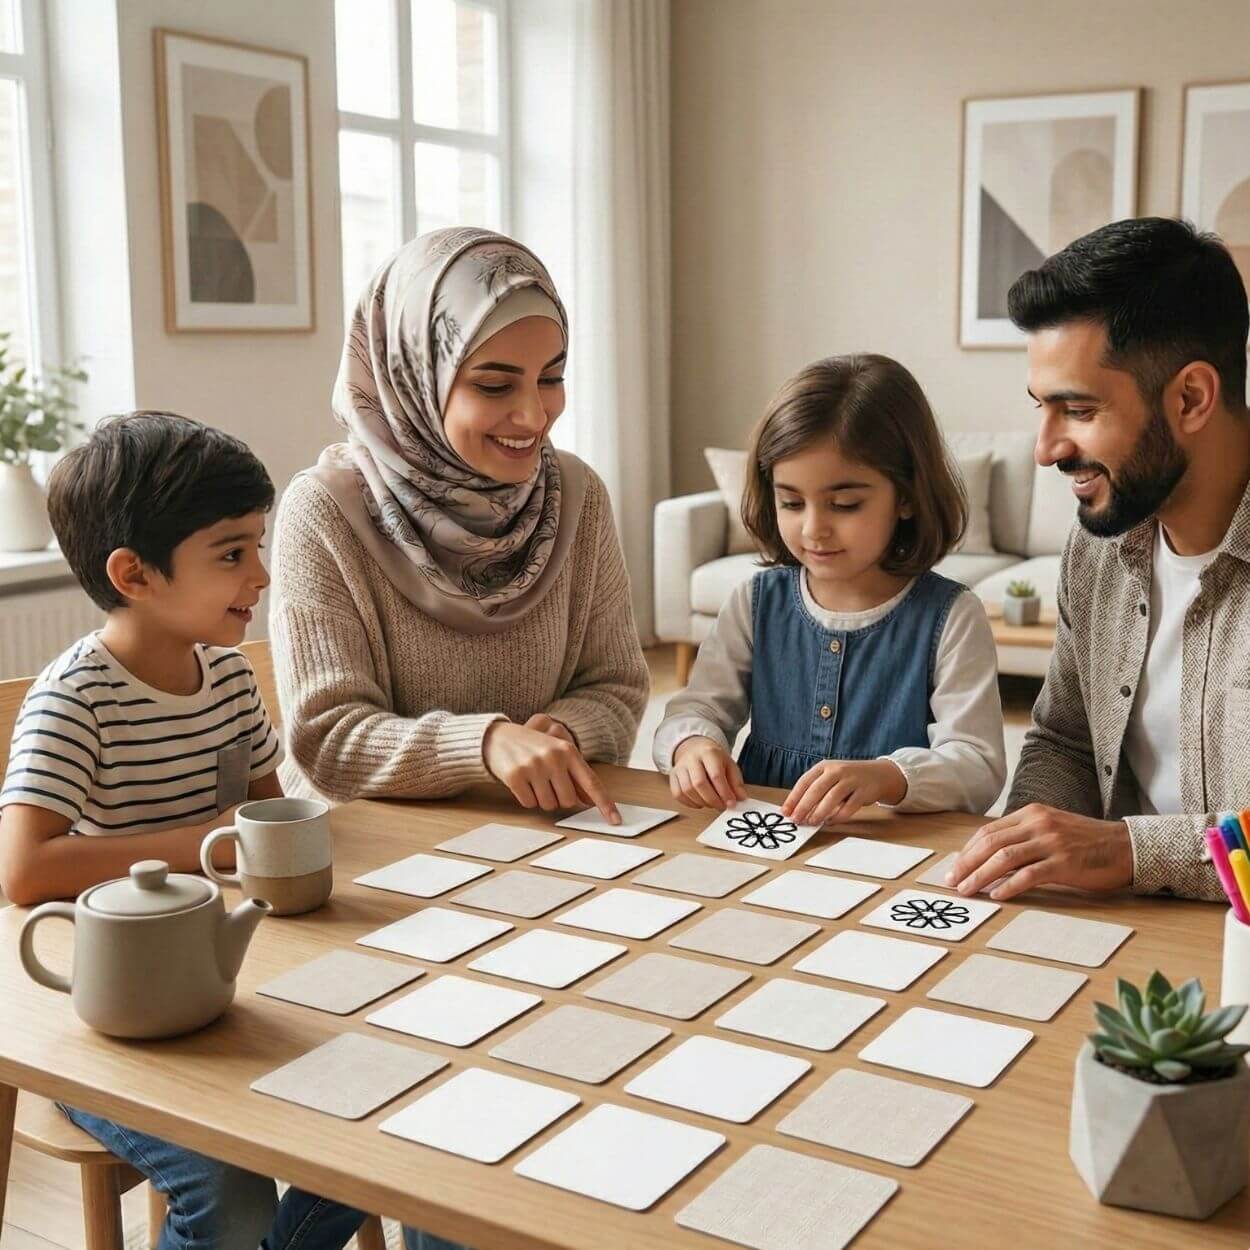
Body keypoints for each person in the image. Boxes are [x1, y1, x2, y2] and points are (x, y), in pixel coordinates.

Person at [0, 413, 365, 1248]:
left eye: (259, 547)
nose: (263, 574)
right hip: (108, 1018)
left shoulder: (231, 679)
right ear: (134, 574)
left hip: (225, 987)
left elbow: (266, 826)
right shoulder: (75, 700)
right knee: (226, 1199)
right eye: (233, 553)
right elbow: (22, 873)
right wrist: (205, 836)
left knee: (391, 1121)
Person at [270, 228, 649, 825]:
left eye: (551, 377)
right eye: (495, 385)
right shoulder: (323, 510)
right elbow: (328, 742)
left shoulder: (577, 496)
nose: (534, 415)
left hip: (532, 829)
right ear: (414, 377)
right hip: (369, 850)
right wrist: (486, 745)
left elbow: (619, 689)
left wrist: (566, 730)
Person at [947, 217, 1250, 903]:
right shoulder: (1099, 545)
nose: (1045, 448)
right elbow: (1064, 740)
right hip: (1119, 926)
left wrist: (1130, 850)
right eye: (1041, 409)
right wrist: (1019, 849)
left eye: (1077, 409)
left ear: (1191, 398)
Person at [653, 353, 1006, 825]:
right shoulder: (754, 602)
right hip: (763, 837)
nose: (814, 529)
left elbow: (978, 766)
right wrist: (691, 744)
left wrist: (889, 777)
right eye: (791, 502)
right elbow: (695, 709)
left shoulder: (952, 616)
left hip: (891, 848)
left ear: (905, 496)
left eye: (844, 504)